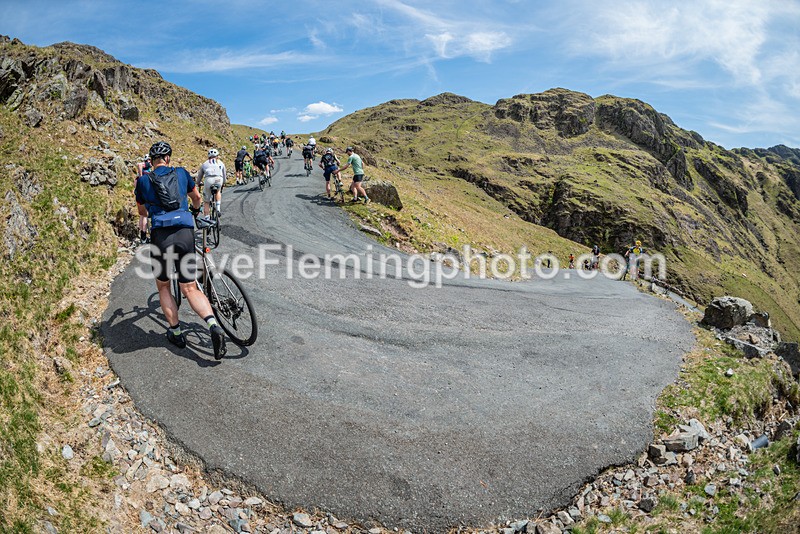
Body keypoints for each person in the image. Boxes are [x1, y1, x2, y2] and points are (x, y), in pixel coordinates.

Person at [134, 141, 226, 359]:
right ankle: (213, 325)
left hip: (161, 235)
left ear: (152, 160)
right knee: (190, 287)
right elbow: (196, 199)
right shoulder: (182, 173)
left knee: (164, 286)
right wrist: (193, 212)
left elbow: (142, 212)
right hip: (185, 232)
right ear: (168, 159)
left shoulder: (143, 180)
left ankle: (175, 331)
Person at [197, 148, 226, 216]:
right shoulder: (221, 163)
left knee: (206, 202)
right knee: (218, 191)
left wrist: (198, 183)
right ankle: (218, 208)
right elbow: (224, 174)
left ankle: (207, 219)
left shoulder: (204, 164)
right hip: (219, 179)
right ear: (217, 156)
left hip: (208, 180)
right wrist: (224, 183)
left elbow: (200, 176)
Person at [135, 155, 153, 243]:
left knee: (142, 215)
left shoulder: (140, 175)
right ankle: (144, 236)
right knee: (145, 215)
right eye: (149, 160)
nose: (150, 162)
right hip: (145, 195)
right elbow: (139, 164)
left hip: (138, 195)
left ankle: (142, 236)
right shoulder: (146, 168)